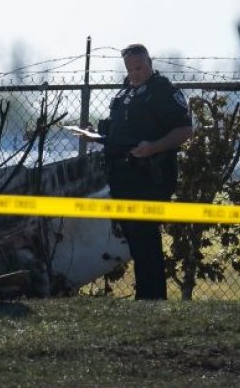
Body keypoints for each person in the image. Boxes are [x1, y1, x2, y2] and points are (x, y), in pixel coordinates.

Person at [79, 43, 193, 300]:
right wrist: (96, 136)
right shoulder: (125, 95)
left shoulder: (163, 93)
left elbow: (184, 130)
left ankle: (152, 298)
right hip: (123, 176)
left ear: (150, 63)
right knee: (134, 237)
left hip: (150, 176)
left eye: (139, 67)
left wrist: (154, 147)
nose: (135, 73)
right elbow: (119, 135)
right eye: (130, 68)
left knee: (146, 236)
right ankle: (145, 296)